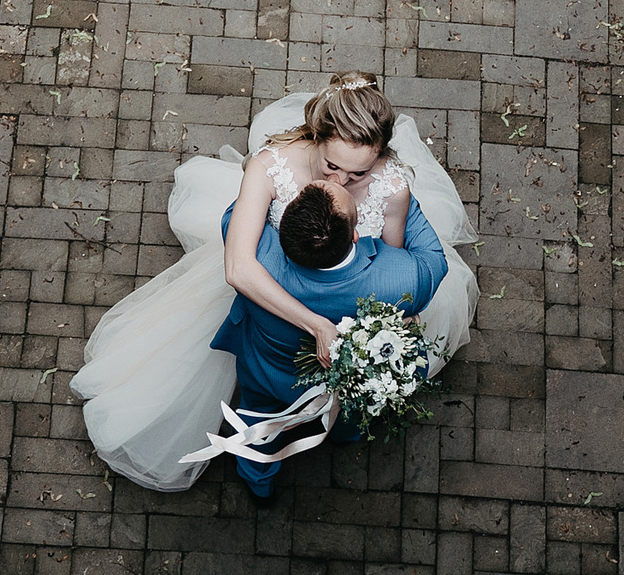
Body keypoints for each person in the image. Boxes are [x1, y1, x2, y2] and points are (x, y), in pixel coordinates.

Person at [71, 72, 481, 493]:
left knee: (307, 404)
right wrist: (318, 325)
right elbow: (239, 267)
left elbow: (389, 265)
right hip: (281, 310)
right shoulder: (273, 166)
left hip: (329, 318)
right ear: (316, 138)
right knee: (265, 408)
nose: (338, 181)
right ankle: (269, 466)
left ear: (378, 158)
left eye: (357, 174)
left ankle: (297, 451)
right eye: (332, 165)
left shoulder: (391, 188)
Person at [206, 174, 451, 501]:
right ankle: (344, 435)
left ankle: (258, 481)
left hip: (269, 371)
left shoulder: (259, 256)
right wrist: (399, 191)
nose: (335, 176)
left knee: (256, 422)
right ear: (355, 235)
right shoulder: (404, 278)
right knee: (350, 414)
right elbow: (434, 257)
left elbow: (239, 211)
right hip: (352, 384)